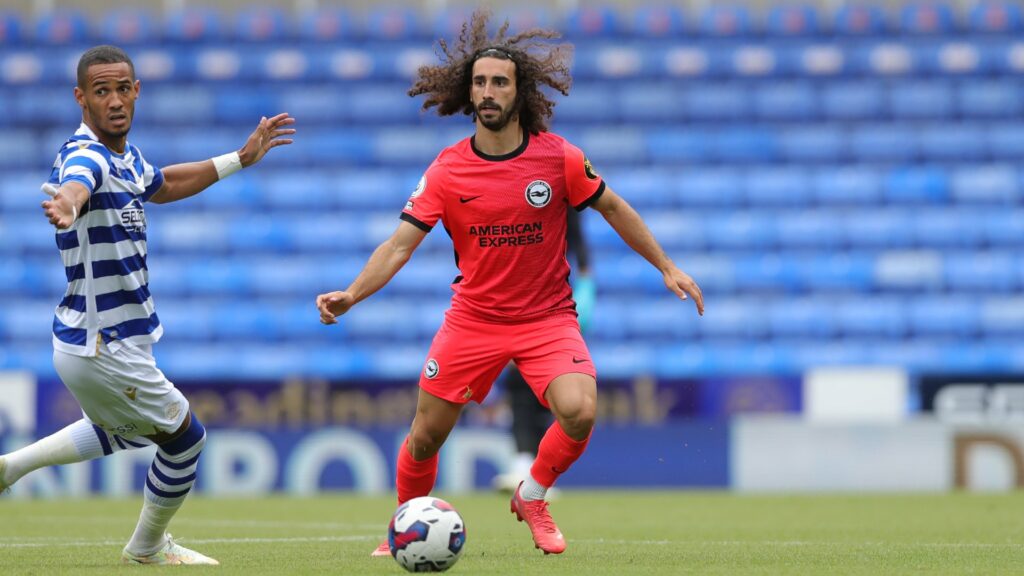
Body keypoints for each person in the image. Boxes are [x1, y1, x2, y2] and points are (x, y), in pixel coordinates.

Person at [315, 9, 703, 556]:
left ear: (519, 92)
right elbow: (400, 243)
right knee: (426, 435)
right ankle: (403, 526)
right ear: (467, 93)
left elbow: (613, 207)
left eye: (500, 82)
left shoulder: (558, 158)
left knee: (581, 409)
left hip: (547, 317)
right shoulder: (448, 171)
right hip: (474, 318)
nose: (488, 92)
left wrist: (666, 265)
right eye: (479, 83)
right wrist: (352, 293)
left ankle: (534, 494)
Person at [0, 45, 295, 565]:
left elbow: (164, 184)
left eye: (122, 89)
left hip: (93, 340)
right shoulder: (86, 153)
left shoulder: (127, 158)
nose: (114, 100)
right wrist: (68, 204)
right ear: (81, 99)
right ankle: (146, 549)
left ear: (137, 91)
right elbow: (76, 183)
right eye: (101, 91)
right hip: (104, 345)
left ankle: (11, 468)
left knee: (121, 431)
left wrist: (240, 159)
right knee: (186, 440)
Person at [491, 208, 595, 494]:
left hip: (551, 304)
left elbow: (578, 242)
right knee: (527, 388)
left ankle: (532, 468)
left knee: (548, 392)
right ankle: (528, 465)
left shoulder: (556, 199)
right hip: (523, 299)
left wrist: (584, 289)